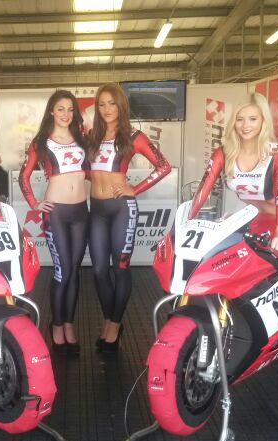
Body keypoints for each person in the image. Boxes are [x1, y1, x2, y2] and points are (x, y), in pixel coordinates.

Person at [189, 93, 278, 323]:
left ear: (263, 121)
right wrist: (187, 219)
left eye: (252, 119)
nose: (245, 125)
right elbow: (204, 188)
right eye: (240, 119)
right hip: (257, 217)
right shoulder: (225, 151)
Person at [87, 83, 172, 353]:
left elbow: (164, 165)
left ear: (121, 105)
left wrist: (135, 188)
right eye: (101, 104)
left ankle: (113, 325)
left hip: (123, 208)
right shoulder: (91, 135)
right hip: (97, 209)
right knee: (99, 271)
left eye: (112, 103)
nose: (106, 109)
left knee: (120, 268)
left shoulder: (133, 135)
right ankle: (109, 319)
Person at [19, 90, 89, 355]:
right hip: (56, 213)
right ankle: (56, 326)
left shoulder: (81, 137)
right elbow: (24, 177)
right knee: (62, 272)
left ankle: (68, 324)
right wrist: (34, 204)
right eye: (60, 109)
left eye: (70, 109)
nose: (66, 114)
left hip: (81, 211)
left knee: (74, 271)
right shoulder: (41, 142)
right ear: (51, 111)